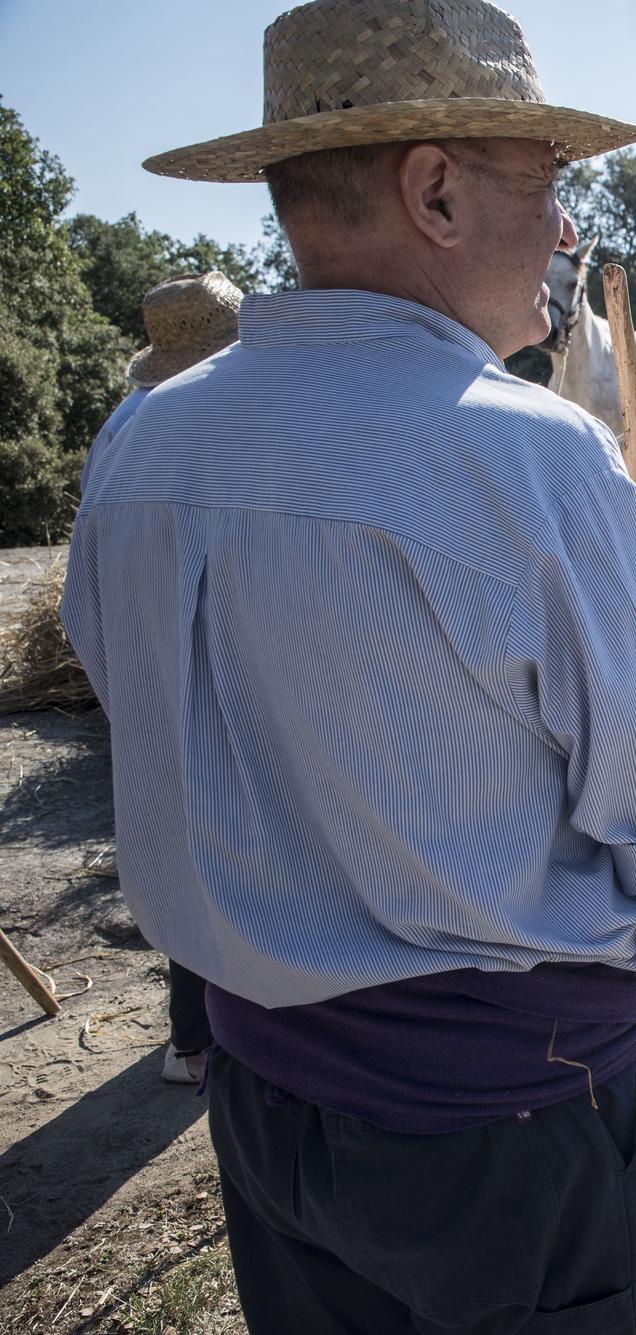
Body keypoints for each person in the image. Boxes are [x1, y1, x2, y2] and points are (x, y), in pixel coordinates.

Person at [62, 3, 636, 1331]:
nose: (564, 233)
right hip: (514, 1125)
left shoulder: (140, 445)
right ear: (433, 188)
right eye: (545, 188)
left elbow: (144, 725)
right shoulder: (530, 457)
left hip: (264, 1103)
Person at [96, 269, 247, 1085]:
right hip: (221, 663)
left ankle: (192, 1034)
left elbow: (88, 581)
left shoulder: (122, 430)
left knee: (182, 838)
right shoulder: (231, 423)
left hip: (146, 661)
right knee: (227, 839)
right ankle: (214, 1032)